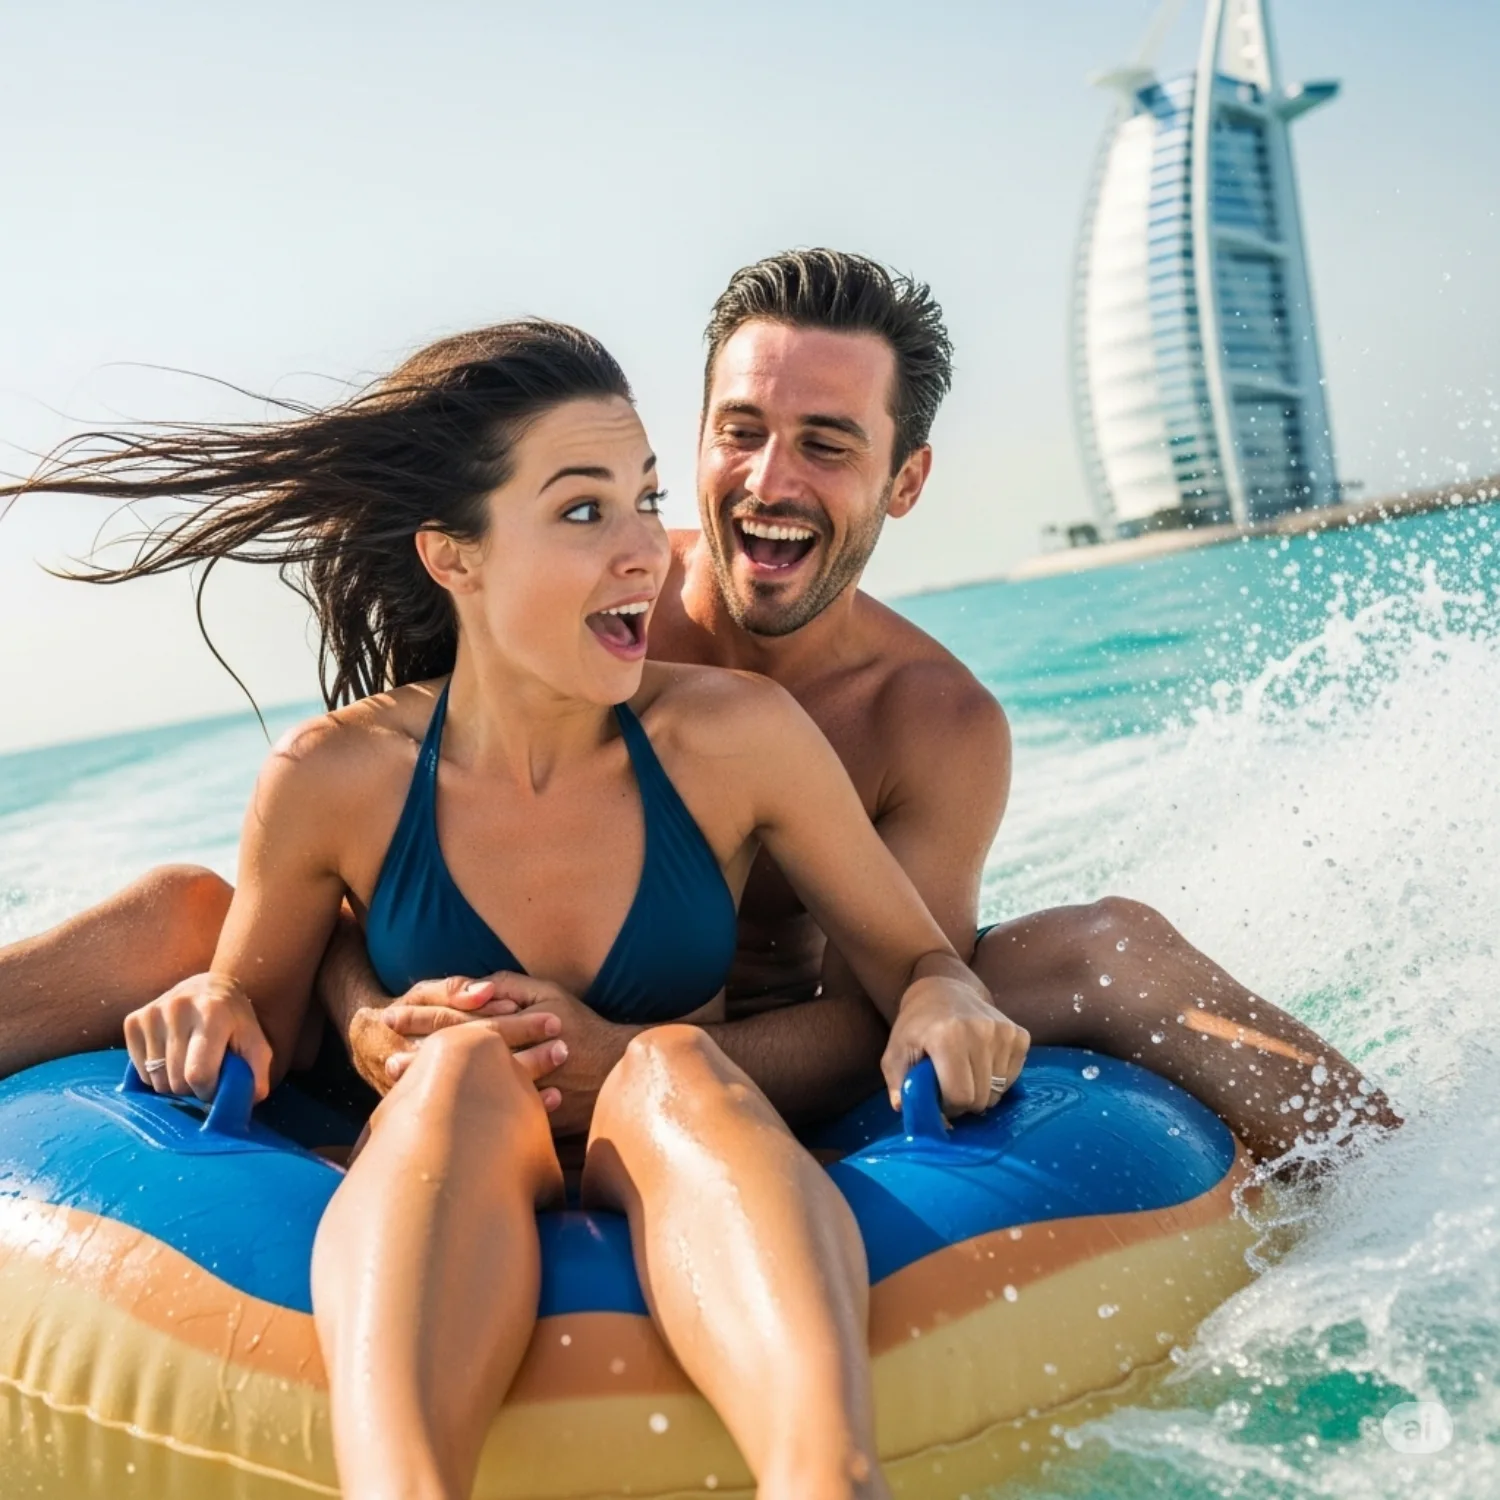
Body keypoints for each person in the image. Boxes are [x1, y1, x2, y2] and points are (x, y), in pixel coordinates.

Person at [0, 248, 1398, 1163]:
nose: (767, 478)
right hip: (460, 1046)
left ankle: (1400, 1189)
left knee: (1111, 947)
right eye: (740, 430)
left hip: (742, 1073)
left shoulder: (930, 723)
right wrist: (370, 1022)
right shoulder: (565, 603)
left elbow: (899, 1000)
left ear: (905, 481)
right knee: (178, 917)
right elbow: (360, 861)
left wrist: (642, 1060)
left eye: (828, 444)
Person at [1, 320, 1025, 1500]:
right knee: (462, 1076)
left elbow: (916, 963)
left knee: (676, 1070)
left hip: (674, 1135)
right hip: (448, 1146)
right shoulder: (338, 776)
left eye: (646, 498)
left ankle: (827, 1482)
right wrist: (235, 1007)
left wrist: (947, 998)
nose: (650, 548)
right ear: (456, 557)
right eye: (586, 512)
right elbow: (264, 1031)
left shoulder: (735, 738)